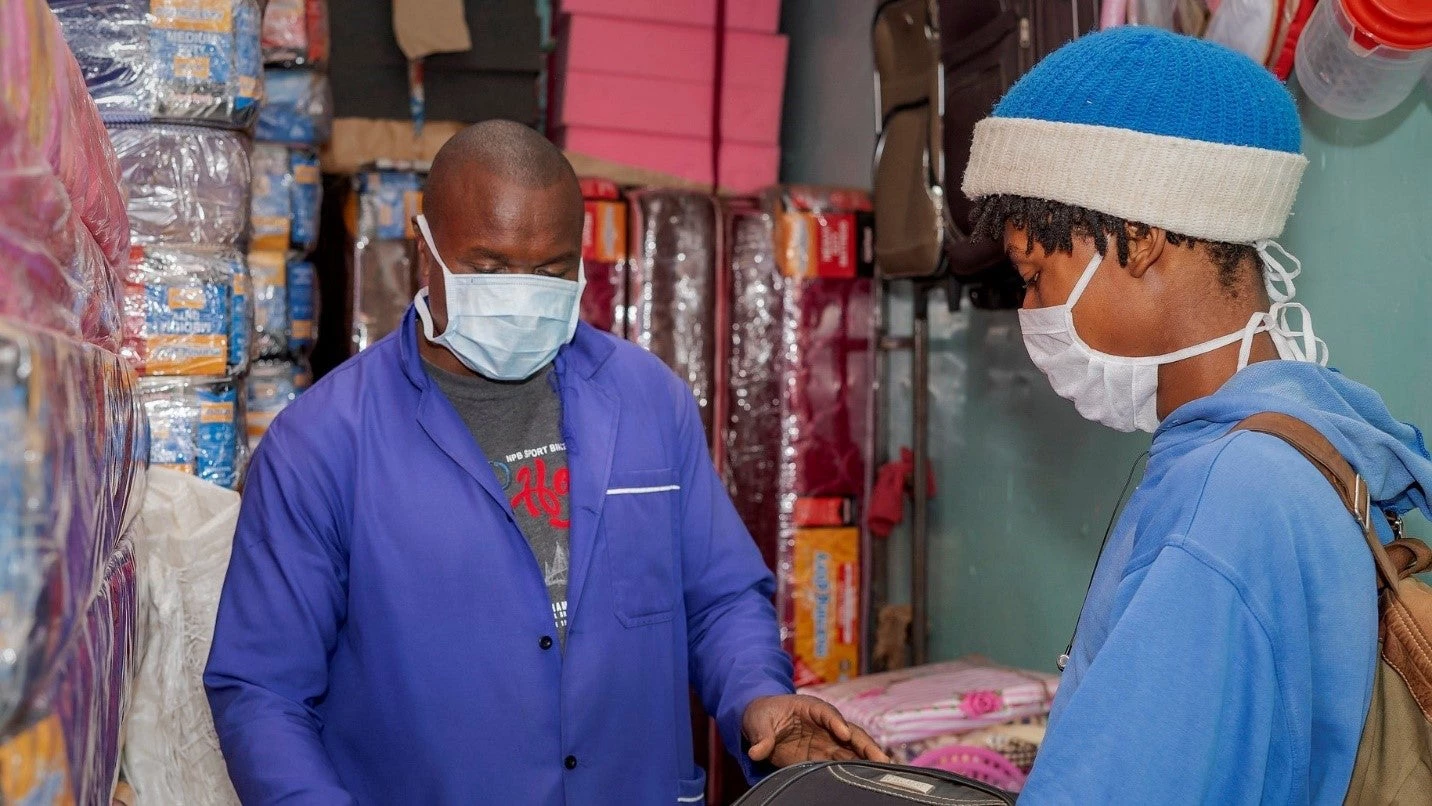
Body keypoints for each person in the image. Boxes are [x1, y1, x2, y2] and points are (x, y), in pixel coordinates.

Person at [205, 120, 885, 804]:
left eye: (552, 269)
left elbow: (719, 598)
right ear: (426, 252)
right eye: (490, 267)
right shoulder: (323, 443)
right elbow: (262, 692)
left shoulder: (648, 401)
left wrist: (756, 696)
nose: (522, 292)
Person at [960, 27, 1432, 804]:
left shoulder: (1229, 499)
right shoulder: (1311, 437)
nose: (1031, 312)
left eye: (1036, 274)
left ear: (1140, 240)